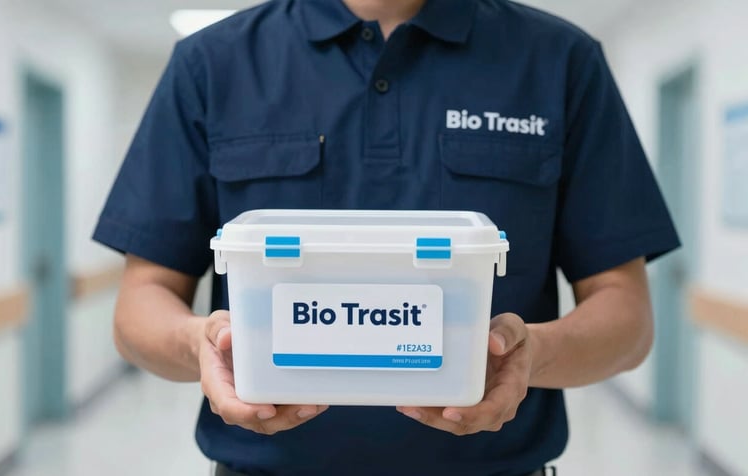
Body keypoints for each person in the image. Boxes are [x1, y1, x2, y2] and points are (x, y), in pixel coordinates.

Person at [93, 0, 680, 475]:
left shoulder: (559, 60)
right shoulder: (213, 63)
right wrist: (203, 342)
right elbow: (138, 307)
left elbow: (627, 320)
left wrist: (530, 355)